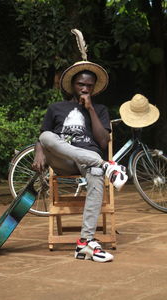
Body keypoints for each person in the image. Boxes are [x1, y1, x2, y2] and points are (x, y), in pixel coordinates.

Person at [32, 61, 128, 263]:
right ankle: (106, 165)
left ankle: (85, 243)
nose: (85, 88)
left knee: (95, 173)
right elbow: (42, 137)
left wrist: (90, 109)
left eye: (89, 85)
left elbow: (103, 141)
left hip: (88, 161)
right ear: (72, 85)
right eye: (80, 84)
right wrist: (38, 151)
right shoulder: (56, 108)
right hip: (63, 160)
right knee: (48, 136)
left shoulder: (100, 109)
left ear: (94, 88)